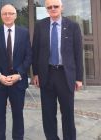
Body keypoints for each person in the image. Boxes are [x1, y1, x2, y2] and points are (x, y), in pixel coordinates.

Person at [32, 0, 83, 139]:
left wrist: (79, 78)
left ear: (62, 7)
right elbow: (35, 51)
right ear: (46, 9)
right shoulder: (40, 26)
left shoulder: (73, 26)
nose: (53, 8)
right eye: (49, 7)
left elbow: (78, 53)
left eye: (55, 6)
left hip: (65, 75)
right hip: (46, 74)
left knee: (67, 113)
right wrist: (35, 73)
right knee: (48, 114)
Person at [0, 4, 32, 140]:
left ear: (15, 15)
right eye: (5, 13)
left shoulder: (24, 33)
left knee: (18, 115)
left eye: (10, 13)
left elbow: (28, 56)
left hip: (18, 82)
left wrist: (19, 74)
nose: (7, 16)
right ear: (1, 16)